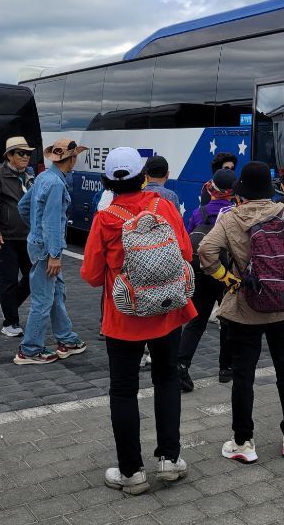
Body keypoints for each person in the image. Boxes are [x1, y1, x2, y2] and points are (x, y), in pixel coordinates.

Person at [81, 147, 196, 494]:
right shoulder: (164, 207)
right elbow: (186, 253)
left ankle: (131, 472)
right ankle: (170, 459)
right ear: (143, 176)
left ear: (107, 181)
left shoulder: (105, 218)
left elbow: (91, 275)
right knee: (167, 380)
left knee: (123, 390)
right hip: (167, 310)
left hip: (124, 316)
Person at [198, 161, 284, 463]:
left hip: (247, 308)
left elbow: (205, 250)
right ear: (270, 190)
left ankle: (244, 442)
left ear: (241, 192)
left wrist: (226, 278)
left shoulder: (231, 219)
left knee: (244, 375)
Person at [14, 139, 87, 365]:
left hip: (39, 244)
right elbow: (53, 222)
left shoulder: (44, 177)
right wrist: (54, 254)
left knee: (55, 293)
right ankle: (30, 349)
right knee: (44, 299)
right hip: (47, 249)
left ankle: (67, 338)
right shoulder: (56, 184)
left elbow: (23, 207)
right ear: (71, 158)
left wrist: (36, 230)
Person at [178, 167, 237, 391]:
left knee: (197, 321)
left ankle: (181, 365)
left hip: (201, 271)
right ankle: (225, 368)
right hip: (226, 274)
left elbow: (188, 241)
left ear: (211, 189)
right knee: (227, 320)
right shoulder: (236, 214)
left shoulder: (198, 213)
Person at [0, 137, 36, 338]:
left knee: (33, 277)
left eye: (28, 153)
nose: (26, 157)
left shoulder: (30, 175)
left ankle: (8, 304)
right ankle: (10, 322)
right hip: (5, 237)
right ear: (9, 155)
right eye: (21, 153)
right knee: (8, 280)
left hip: (28, 236)